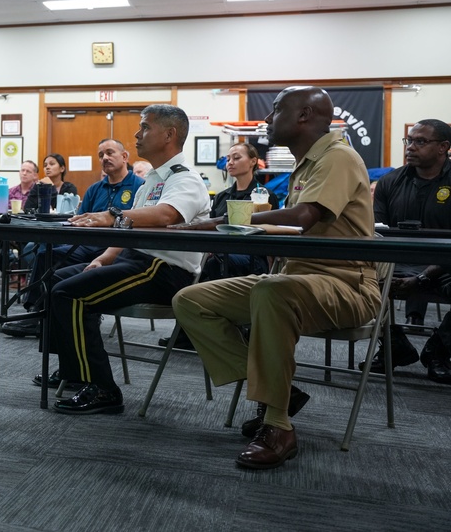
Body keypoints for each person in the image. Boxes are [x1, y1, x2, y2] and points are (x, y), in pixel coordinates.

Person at [172, 86, 379, 470]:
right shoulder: (307, 162)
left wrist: (219, 222)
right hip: (295, 279)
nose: (267, 119)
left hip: (347, 284)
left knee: (271, 290)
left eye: (276, 109)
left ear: (304, 115)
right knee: (191, 300)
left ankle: (278, 425)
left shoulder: (337, 157)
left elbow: (304, 218)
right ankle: (279, 395)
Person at [40, 106, 209, 414]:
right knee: (56, 279)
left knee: (69, 295)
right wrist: (104, 258)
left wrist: (111, 215)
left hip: (163, 269)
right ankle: (75, 369)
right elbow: (130, 229)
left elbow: (166, 215)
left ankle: (103, 389)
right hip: (136, 261)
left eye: (144, 127)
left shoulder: (186, 179)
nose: (136, 134)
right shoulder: (152, 180)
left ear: (170, 135)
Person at [2, 138, 143, 338]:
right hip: (88, 245)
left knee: (58, 264)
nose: (105, 158)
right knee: (45, 254)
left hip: (118, 250)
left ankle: (48, 317)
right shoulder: (96, 189)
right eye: (101, 155)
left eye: (110, 153)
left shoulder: (140, 186)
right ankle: (36, 313)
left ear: (125, 156)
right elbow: (78, 220)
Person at [158, 142, 280, 350]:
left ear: (253, 161)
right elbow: (209, 229)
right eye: (229, 159)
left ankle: (210, 334)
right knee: (201, 265)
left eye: (237, 158)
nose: (230, 163)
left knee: (212, 264)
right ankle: (195, 331)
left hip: (252, 259)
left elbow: (268, 233)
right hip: (221, 254)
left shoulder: (264, 196)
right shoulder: (223, 196)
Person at [361, 118, 451, 373]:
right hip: (395, 265)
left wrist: (423, 276)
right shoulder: (390, 182)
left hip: (444, 267)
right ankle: (395, 345)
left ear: (443, 147)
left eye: (420, 141)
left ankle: (439, 349)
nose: (410, 147)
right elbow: (379, 234)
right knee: (353, 279)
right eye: (409, 140)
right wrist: (387, 270)